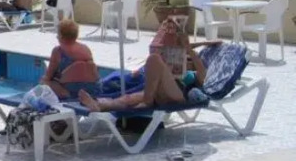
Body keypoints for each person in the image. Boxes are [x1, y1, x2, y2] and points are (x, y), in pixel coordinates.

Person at [78, 36, 222, 112]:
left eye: (188, 58)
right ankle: (99, 105)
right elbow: (176, 47)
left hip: (179, 95)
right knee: (127, 98)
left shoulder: (196, 75)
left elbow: (201, 71)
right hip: (160, 91)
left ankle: (147, 101)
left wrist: (191, 49)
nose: (186, 59)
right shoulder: (175, 67)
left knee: (154, 59)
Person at [41, 19, 100, 99]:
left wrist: (44, 80)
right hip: (93, 89)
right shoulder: (85, 48)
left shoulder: (58, 51)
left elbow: (48, 76)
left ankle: (67, 96)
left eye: (57, 34)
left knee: (45, 82)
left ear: (61, 36)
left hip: (71, 91)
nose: (57, 36)